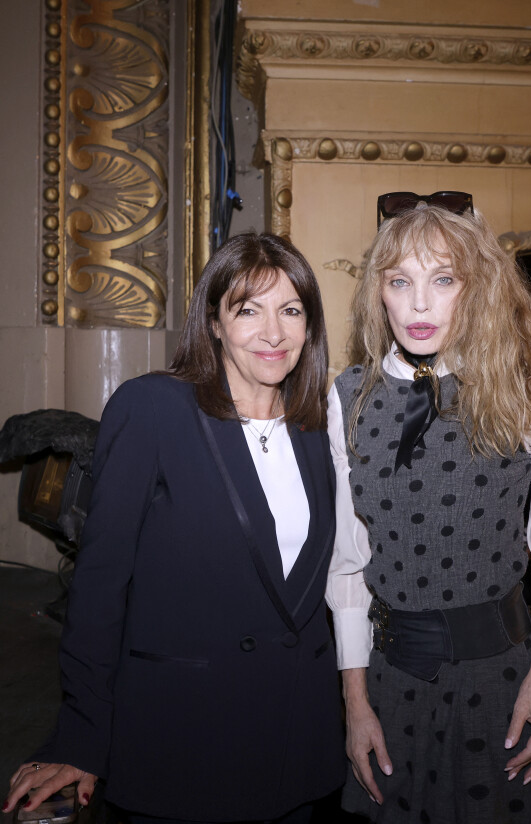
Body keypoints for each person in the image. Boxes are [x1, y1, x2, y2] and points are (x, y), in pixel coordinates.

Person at [3, 233, 345, 824]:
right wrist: (82, 736)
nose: (273, 332)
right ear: (214, 321)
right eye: (248, 310)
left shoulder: (318, 425)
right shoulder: (155, 408)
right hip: (187, 736)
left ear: (309, 325)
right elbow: (101, 586)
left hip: (295, 741)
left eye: (291, 310)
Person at [326, 192, 531, 823]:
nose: (418, 303)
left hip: (501, 683)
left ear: (477, 287)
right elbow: (348, 568)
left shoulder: (528, 383)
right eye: (400, 281)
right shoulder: (349, 396)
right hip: (389, 685)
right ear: (377, 293)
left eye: (443, 280)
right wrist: (354, 702)